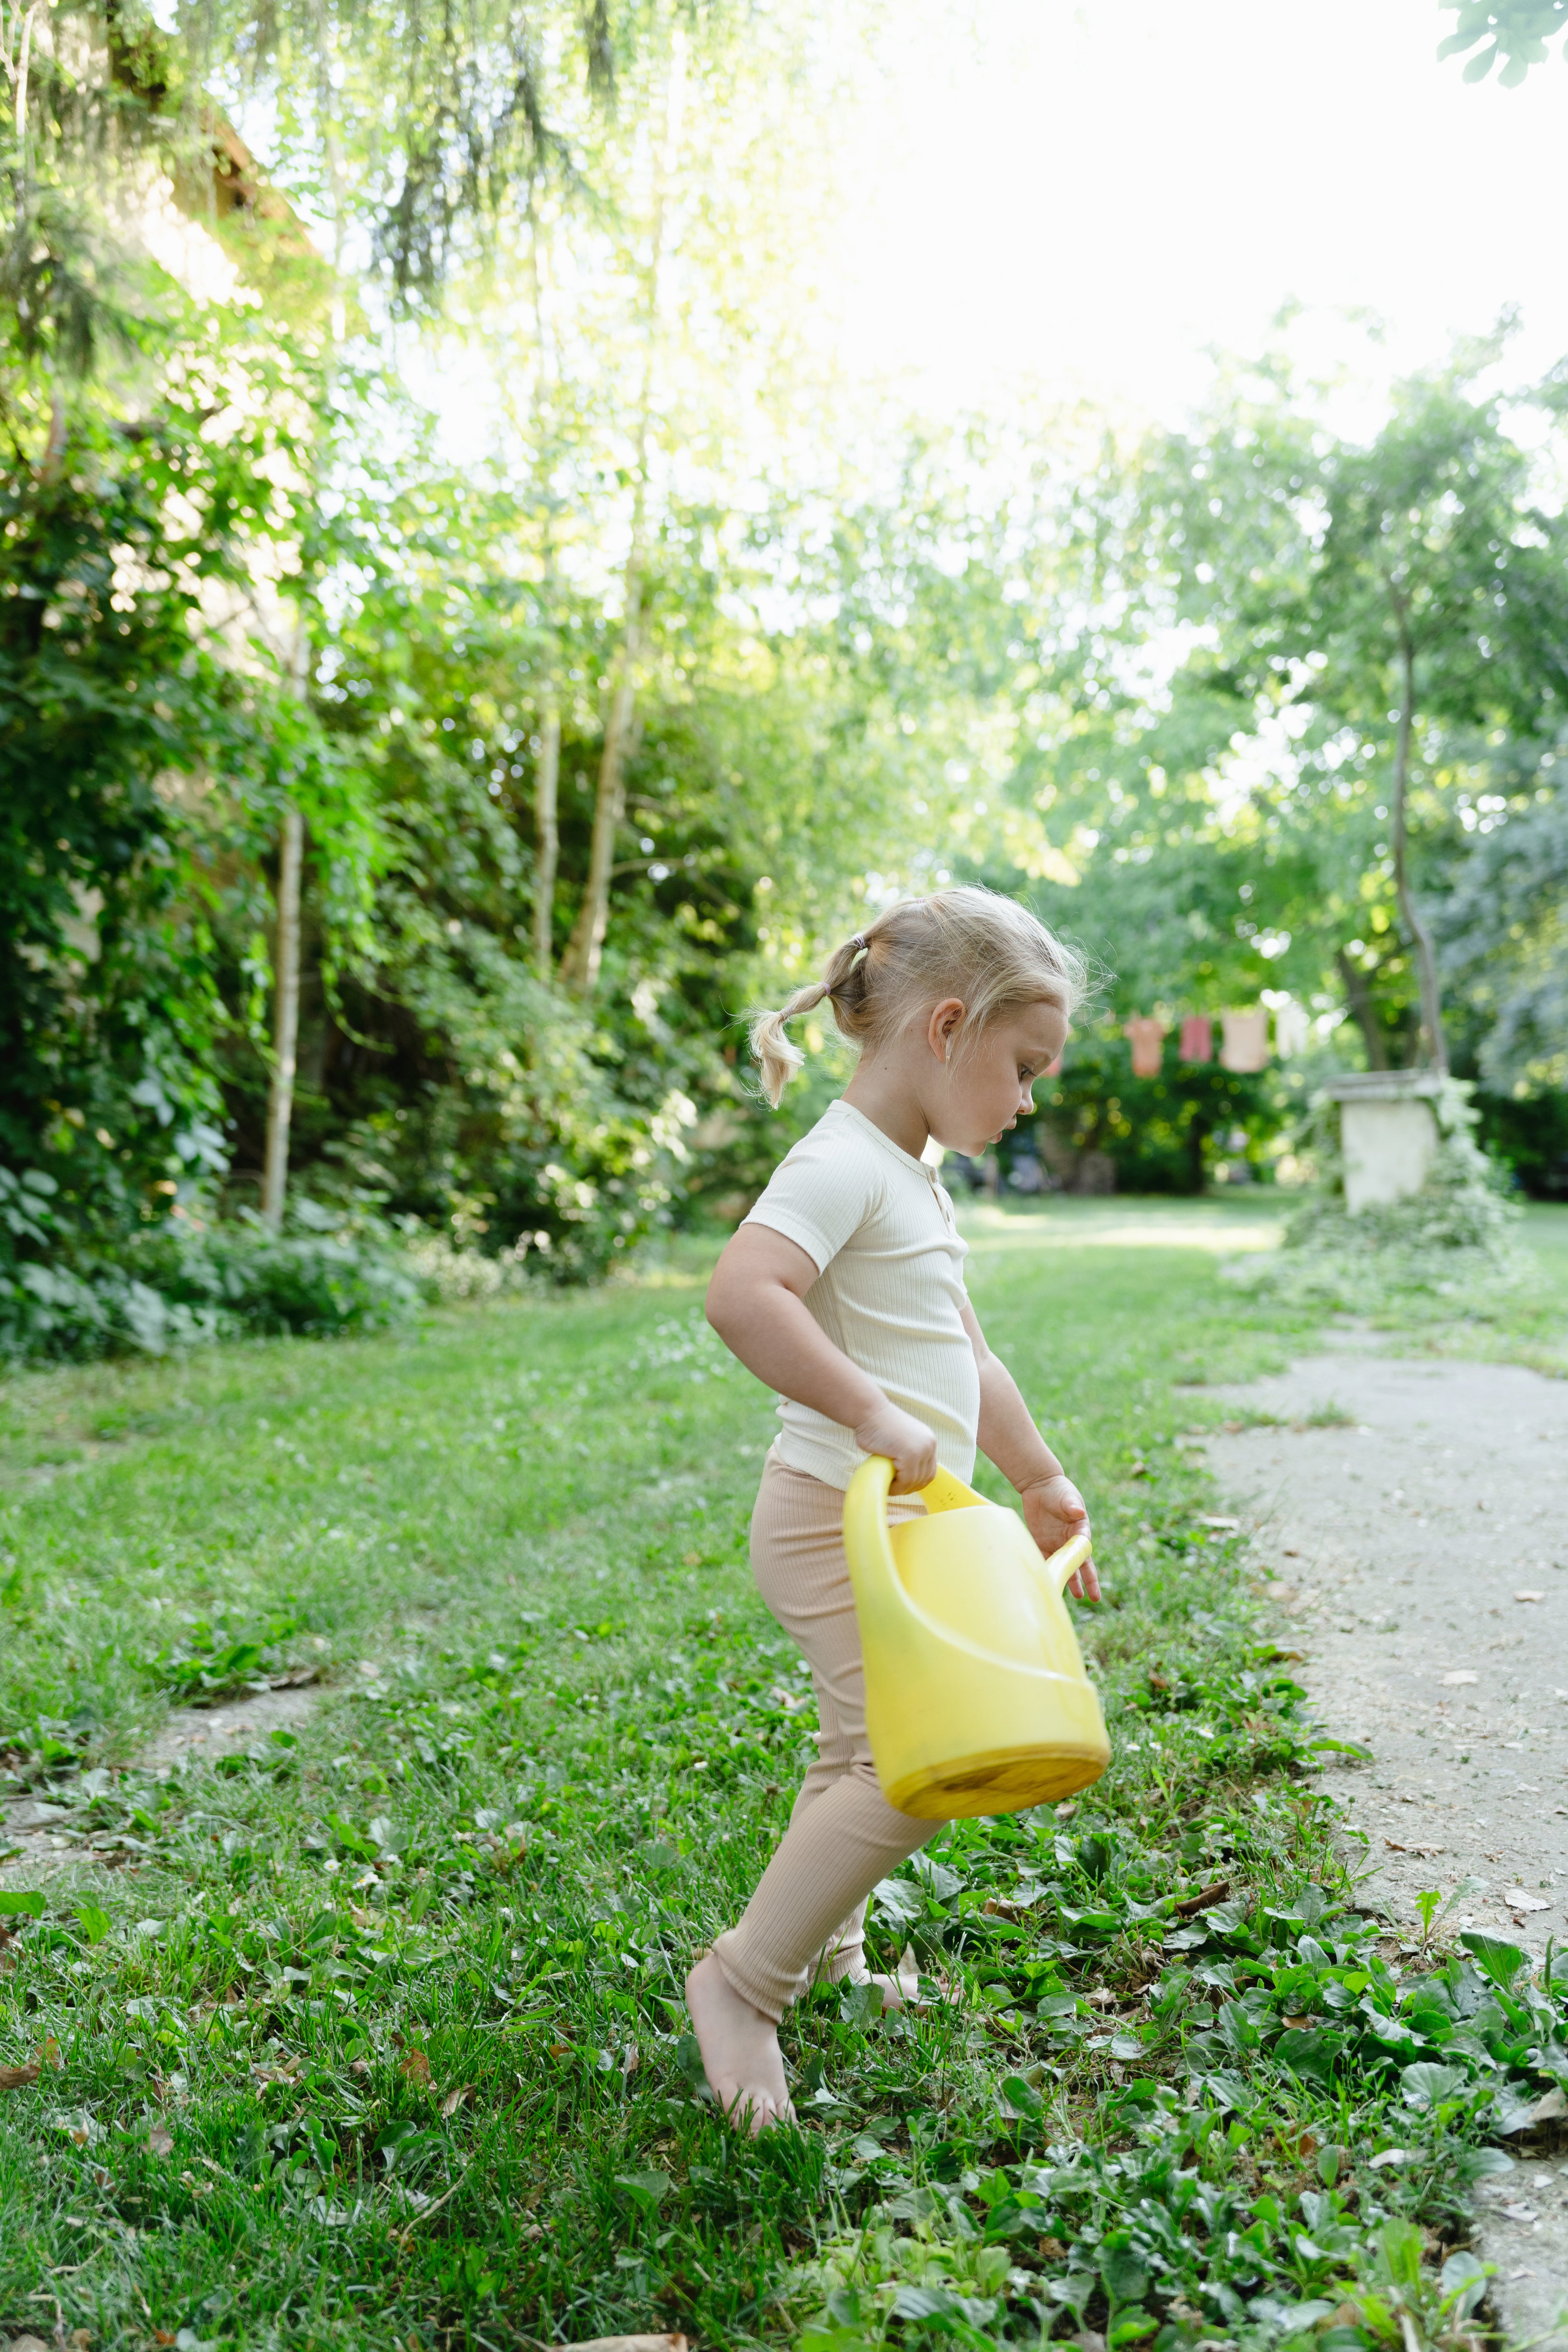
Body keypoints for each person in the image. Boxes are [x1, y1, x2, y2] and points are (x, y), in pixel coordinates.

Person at [686, 886, 1101, 2132]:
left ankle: (836, 1962)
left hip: (906, 1531)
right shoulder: (837, 1163)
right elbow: (743, 1292)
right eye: (1023, 1068)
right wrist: (868, 1410)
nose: (1029, 1099)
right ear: (948, 1027)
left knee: (854, 1752)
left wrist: (1036, 1476)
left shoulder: (913, 1179)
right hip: (832, 1516)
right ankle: (742, 1983)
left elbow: (969, 1357)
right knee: (910, 1764)